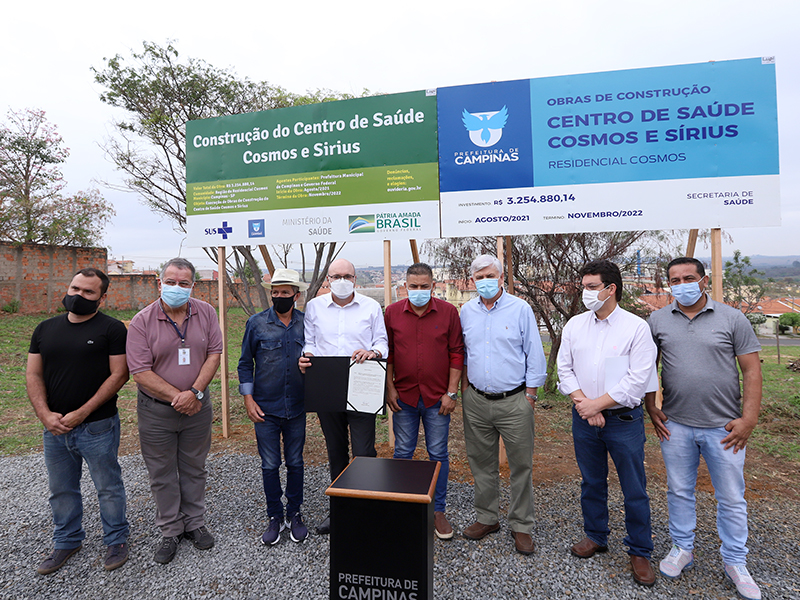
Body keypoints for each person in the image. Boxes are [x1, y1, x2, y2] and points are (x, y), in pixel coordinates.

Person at [646, 257, 763, 600]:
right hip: (676, 425)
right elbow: (647, 366)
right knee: (679, 490)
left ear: (704, 280)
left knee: (731, 497)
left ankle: (735, 561)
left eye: (688, 278)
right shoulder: (657, 320)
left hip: (724, 428)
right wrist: (651, 406)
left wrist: (749, 419)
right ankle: (682, 548)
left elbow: (752, 371)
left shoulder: (732, 318)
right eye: (674, 280)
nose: (681, 285)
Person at [556, 260, 657, 586]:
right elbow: (564, 370)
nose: (585, 292)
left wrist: (596, 405)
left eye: (591, 287)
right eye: (584, 286)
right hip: (584, 418)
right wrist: (585, 407)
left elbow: (637, 380)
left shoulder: (636, 328)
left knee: (634, 487)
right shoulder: (574, 326)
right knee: (591, 481)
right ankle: (596, 535)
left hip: (623, 420)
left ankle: (639, 549)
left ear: (611, 288)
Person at [27, 268, 130, 574]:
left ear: (102, 297)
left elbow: (120, 375)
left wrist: (83, 412)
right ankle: (67, 541)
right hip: (55, 428)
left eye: (88, 292)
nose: (78, 295)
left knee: (108, 486)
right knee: (61, 489)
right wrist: (45, 415)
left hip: (97, 426)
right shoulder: (44, 329)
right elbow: (33, 374)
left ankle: (116, 540)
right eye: (75, 288)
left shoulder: (112, 329)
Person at [126, 257, 222, 564]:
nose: (176, 287)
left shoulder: (206, 312)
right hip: (156, 411)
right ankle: (170, 529)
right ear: (159, 283)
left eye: (183, 283)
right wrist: (179, 397)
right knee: (162, 472)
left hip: (198, 407)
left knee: (195, 466)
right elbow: (139, 371)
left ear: (193, 285)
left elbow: (214, 353)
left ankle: (194, 523)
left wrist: (194, 393)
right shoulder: (142, 321)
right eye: (170, 282)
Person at [459, 254, 546, 555]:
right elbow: (464, 352)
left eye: (490, 276)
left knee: (521, 465)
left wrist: (530, 396)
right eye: (479, 277)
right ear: (472, 281)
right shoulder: (466, 311)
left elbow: (534, 353)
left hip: (515, 401)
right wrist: (465, 390)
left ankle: (521, 525)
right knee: (481, 463)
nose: (485, 281)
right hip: (476, 401)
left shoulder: (520, 309)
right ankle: (487, 518)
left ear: (501, 278)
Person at [299, 258, 389, 535]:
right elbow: (309, 341)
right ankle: (339, 510)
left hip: (363, 384)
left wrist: (373, 352)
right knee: (336, 451)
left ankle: (366, 510)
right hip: (327, 385)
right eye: (336, 276)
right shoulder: (314, 307)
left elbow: (382, 342)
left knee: (364, 452)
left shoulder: (371, 307)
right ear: (327, 280)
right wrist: (307, 355)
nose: (341, 281)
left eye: (347, 276)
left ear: (355, 279)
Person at [384, 263, 464, 540]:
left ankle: (437, 510)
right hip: (404, 397)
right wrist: (389, 388)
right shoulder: (392, 313)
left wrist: (451, 392)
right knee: (403, 452)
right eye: (414, 286)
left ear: (433, 285)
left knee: (438, 454)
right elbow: (388, 353)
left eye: (424, 286)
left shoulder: (449, 312)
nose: (419, 290)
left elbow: (456, 352)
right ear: (405, 287)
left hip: (437, 399)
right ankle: (403, 506)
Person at [238, 268, 309, 546]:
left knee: (295, 462)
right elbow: (245, 363)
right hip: (265, 409)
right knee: (269, 464)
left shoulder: (307, 324)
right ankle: (274, 516)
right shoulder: (256, 324)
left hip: (297, 407)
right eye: (275, 292)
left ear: (296, 295)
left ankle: (294, 513)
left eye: (285, 292)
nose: (279, 296)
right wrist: (248, 398)